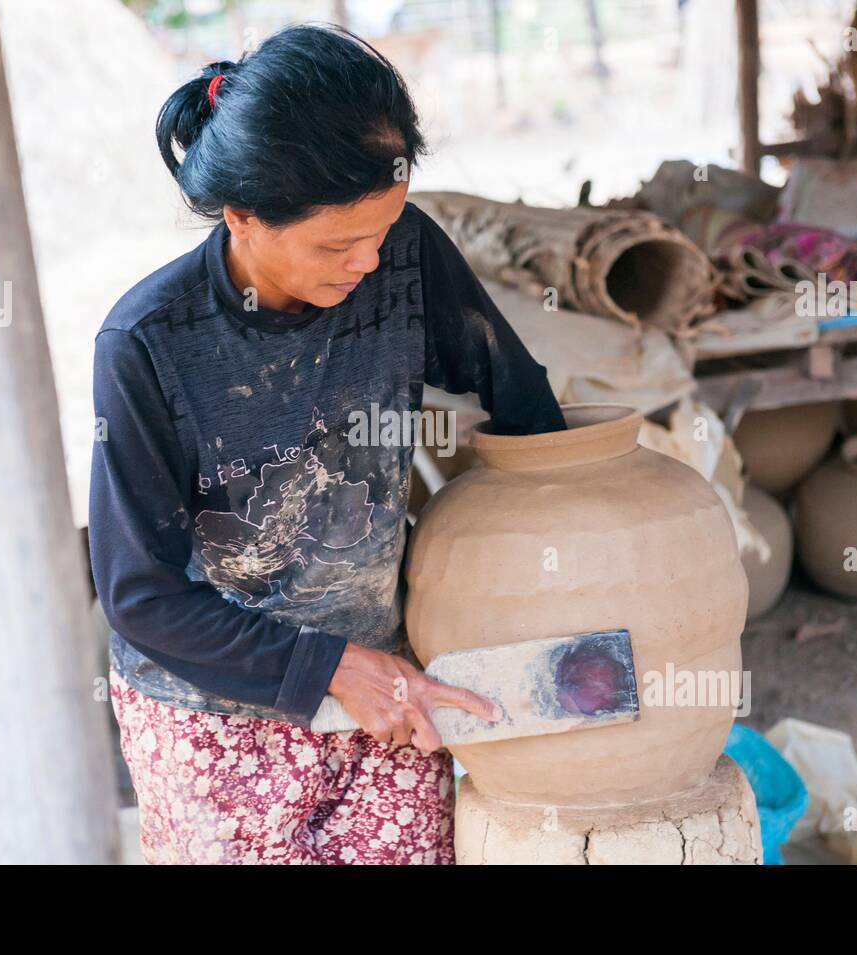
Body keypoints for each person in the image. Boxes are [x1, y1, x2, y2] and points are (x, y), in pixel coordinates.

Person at [89, 22, 565, 865]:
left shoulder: (403, 256)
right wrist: (327, 667)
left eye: (380, 230)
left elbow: (521, 401)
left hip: (385, 693)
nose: (367, 261)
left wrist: (569, 556)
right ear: (242, 216)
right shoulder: (149, 343)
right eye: (337, 244)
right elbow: (140, 595)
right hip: (214, 723)